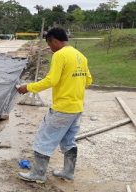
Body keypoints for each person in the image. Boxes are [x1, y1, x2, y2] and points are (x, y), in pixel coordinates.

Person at [16, 27, 92, 183]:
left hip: (62, 108)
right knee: (68, 141)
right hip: (77, 108)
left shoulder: (60, 55)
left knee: (44, 139)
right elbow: (88, 81)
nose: (50, 49)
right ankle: (68, 172)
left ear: (54, 41)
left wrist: (28, 87)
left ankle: (38, 174)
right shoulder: (81, 56)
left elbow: (52, 80)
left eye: (49, 44)